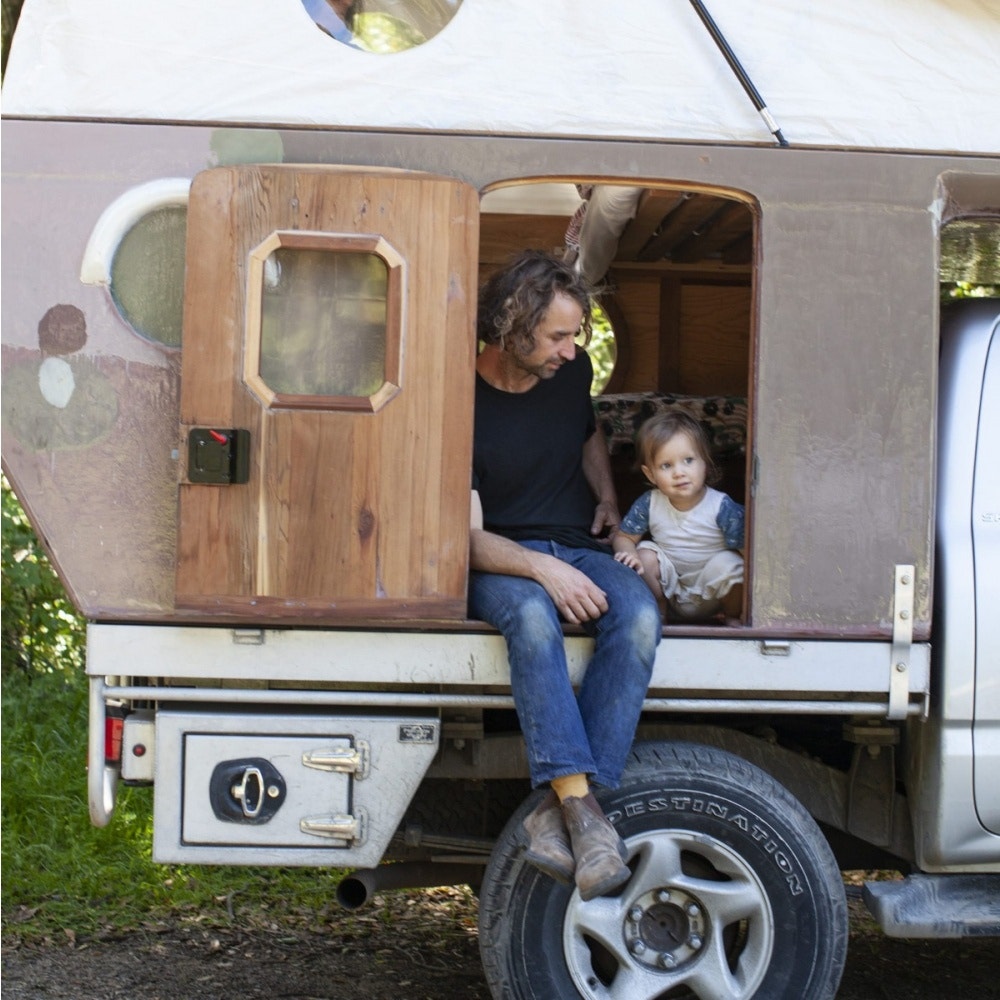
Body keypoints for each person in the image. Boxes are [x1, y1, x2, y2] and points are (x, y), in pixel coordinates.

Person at [469, 250, 661, 901]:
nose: (570, 349)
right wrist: (541, 568)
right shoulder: (459, 400)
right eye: (557, 335)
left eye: (574, 333)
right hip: (498, 556)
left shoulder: (570, 371)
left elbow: (585, 434)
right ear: (510, 327)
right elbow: (463, 537)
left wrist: (606, 495)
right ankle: (582, 807)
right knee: (530, 615)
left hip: (578, 543)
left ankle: (562, 814)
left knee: (636, 615)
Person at [613, 410, 744, 621]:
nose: (679, 472)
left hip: (714, 597)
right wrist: (629, 554)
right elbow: (624, 537)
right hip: (670, 591)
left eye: (689, 460)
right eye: (666, 465)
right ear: (650, 474)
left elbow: (748, 551)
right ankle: (658, 608)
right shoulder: (650, 502)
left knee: (734, 564)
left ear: (705, 463)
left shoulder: (722, 506)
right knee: (644, 554)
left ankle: (733, 615)